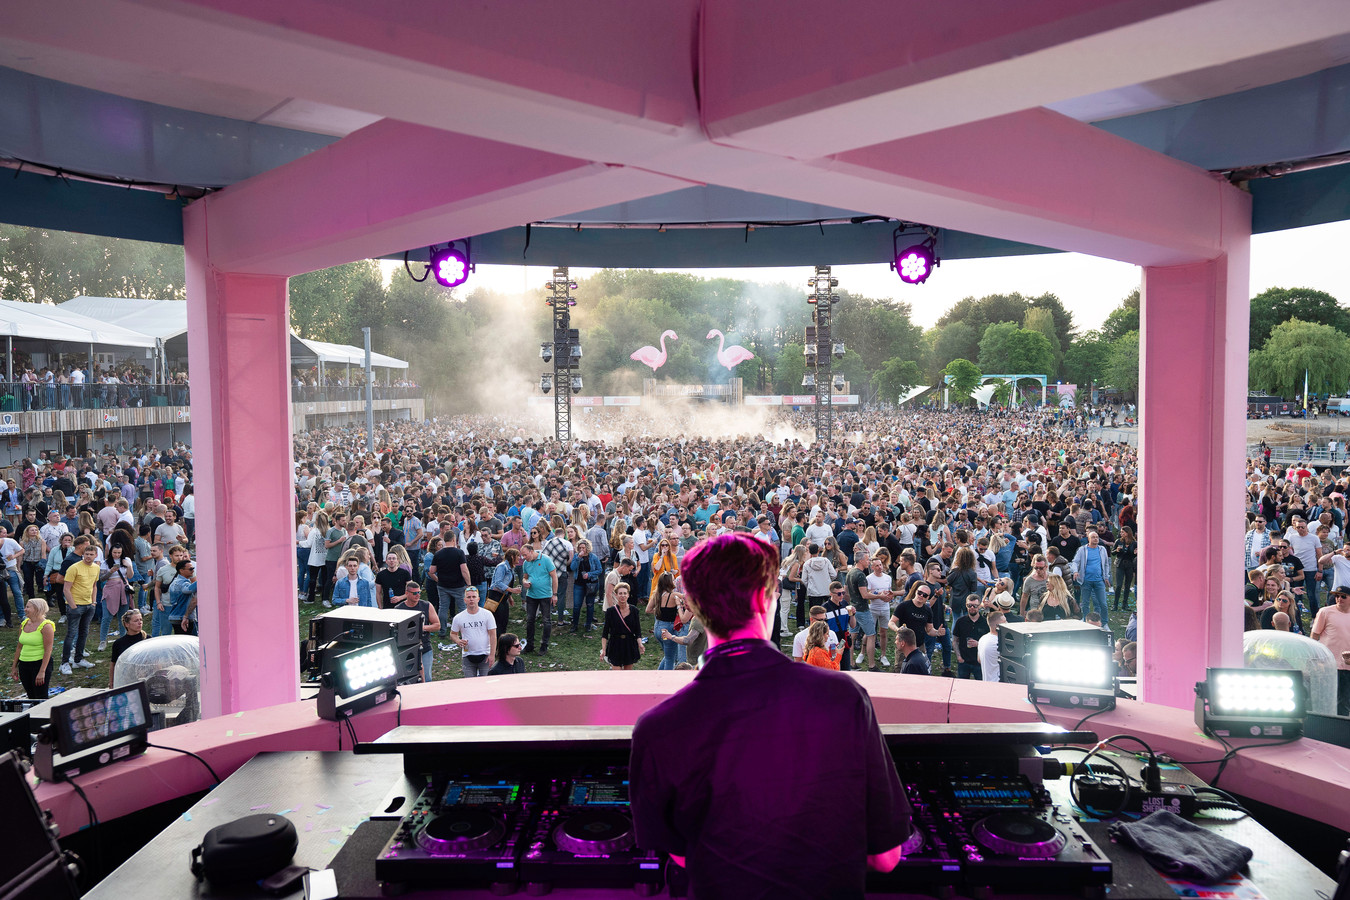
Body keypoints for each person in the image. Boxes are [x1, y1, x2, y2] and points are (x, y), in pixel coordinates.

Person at [630, 533, 910, 897]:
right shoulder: (844, 698)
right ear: (770, 596)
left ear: (692, 605)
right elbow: (886, 858)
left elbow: (680, 855)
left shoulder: (658, 728)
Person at [1311, 584, 1350, 716]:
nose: (1339, 599)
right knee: (1325, 699)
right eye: (1337, 596)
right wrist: (1315, 657)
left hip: (1347, 665)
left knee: (1344, 701)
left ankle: (1341, 726)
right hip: (1328, 663)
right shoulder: (1325, 612)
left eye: (1343, 596)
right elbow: (1315, 635)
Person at [10, 598, 55, 699]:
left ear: (37, 609)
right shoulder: (24, 624)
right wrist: (14, 666)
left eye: (28, 607)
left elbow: (48, 650)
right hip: (24, 664)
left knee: (40, 696)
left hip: (39, 663)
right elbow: (19, 647)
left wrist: (42, 671)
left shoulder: (46, 626)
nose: (25, 609)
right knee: (31, 695)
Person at [450, 587, 497, 677]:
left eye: (474, 597)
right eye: (469, 597)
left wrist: (492, 654)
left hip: (485, 654)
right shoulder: (458, 617)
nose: (471, 599)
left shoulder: (487, 614)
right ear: (465, 600)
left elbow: (493, 635)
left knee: (486, 681)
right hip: (468, 655)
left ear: (478, 599)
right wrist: (458, 641)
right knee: (470, 683)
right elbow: (453, 634)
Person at [520, 543, 558, 654]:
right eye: (522, 555)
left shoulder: (546, 559)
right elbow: (525, 577)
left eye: (525, 555)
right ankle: (529, 645)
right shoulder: (526, 563)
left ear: (531, 551)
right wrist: (525, 582)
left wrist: (554, 594)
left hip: (545, 595)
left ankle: (544, 645)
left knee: (546, 620)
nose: (524, 557)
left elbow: (554, 576)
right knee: (530, 620)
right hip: (531, 595)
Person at [397, 581, 439, 682]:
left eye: (419, 592)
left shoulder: (426, 605)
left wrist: (422, 628)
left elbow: (437, 625)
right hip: (406, 649)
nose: (418, 595)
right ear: (407, 593)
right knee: (408, 678)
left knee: (427, 678)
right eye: (414, 593)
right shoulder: (399, 609)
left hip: (425, 647)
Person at [601, 583, 643, 670]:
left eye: (625, 593)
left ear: (628, 595)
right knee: (617, 674)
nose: (622, 596)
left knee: (627, 675)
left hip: (629, 644)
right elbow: (605, 633)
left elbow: (638, 631)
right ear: (616, 595)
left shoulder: (634, 610)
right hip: (615, 645)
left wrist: (640, 644)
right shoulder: (610, 611)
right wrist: (604, 649)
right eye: (620, 593)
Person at [952, 593, 988, 680]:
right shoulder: (960, 621)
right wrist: (959, 657)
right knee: (962, 685)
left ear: (979, 606)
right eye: (969, 605)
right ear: (966, 605)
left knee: (981, 686)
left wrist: (978, 643)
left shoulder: (985, 623)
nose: (972, 608)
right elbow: (955, 640)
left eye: (975, 606)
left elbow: (990, 642)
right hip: (964, 661)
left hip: (979, 662)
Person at [109, 607, 147, 687]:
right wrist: (111, 682)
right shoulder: (118, 643)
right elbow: (113, 664)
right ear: (127, 624)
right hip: (127, 681)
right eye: (136, 621)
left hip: (146, 679)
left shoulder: (148, 640)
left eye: (141, 620)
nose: (140, 622)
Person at [167, 557, 199, 635]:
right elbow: (188, 589)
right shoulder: (181, 583)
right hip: (182, 618)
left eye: (193, 568)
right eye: (190, 569)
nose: (193, 571)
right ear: (181, 570)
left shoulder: (175, 581)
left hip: (175, 617)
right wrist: (201, 580)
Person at [978, 610, 1005, 681]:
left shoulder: (982, 639)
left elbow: (979, 660)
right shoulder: (999, 642)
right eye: (1005, 621)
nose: (1007, 623)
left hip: (987, 681)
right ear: (998, 626)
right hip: (998, 683)